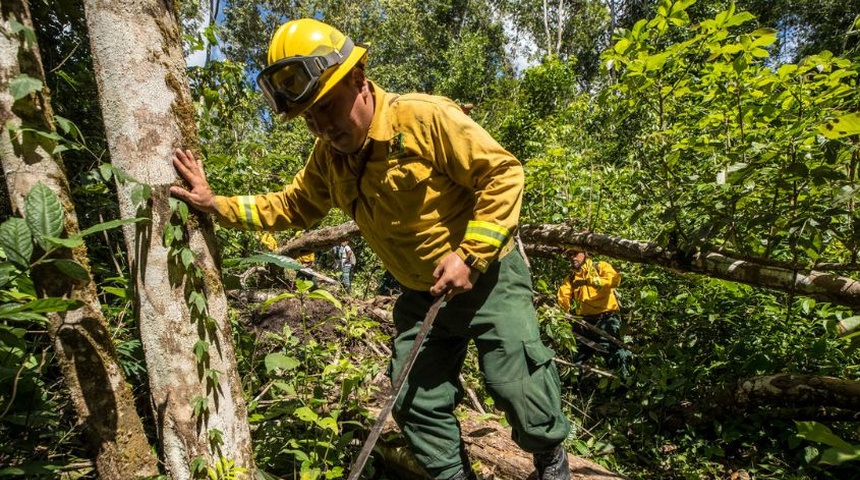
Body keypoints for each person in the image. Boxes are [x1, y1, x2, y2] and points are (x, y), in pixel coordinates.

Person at [170, 18, 571, 480]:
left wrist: (470, 254)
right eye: (309, 118)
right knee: (413, 400)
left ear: (359, 80)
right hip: (421, 296)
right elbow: (290, 205)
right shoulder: (327, 159)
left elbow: (502, 173)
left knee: (516, 382)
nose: (321, 126)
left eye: (327, 108)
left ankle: (549, 458)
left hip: (489, 279)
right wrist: (214, 204)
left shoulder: (422, 118)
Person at [556, 247, 631, 377]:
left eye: (575, 253)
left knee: (615, 354)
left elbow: (614, 280)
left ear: (585, 254)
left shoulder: (600, 266)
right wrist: (563, 315)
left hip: (607, 319)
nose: (572, 257)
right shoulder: (572, 278)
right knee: (575, 357)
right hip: (584, 323)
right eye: (569, 255)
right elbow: (564, 296)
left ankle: (626, 386)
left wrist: (594, 281)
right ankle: (573, 388)